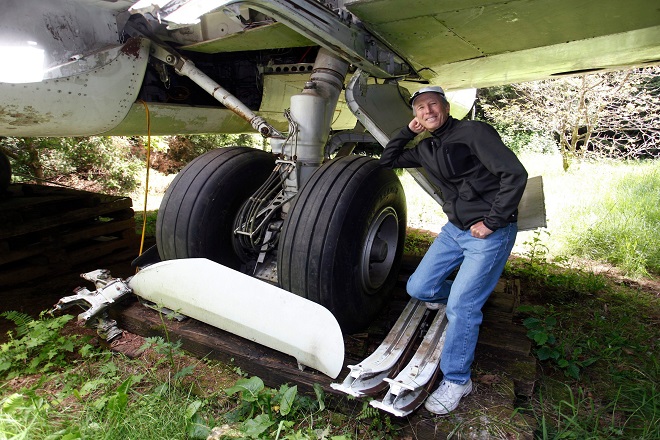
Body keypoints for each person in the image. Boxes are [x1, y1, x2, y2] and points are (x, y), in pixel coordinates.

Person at [379, 86, 528, 415]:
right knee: (419, 287)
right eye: (419, 108)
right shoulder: (426, 147)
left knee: (461, 307)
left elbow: (515, 174)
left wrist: (493, 221)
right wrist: (407, 132)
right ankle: (468, 294)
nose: (427, 111)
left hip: (489, 232)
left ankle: (458, 380)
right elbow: (387, 160)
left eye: (432, 104)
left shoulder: (472, 132)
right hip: (455, 230)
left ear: (445, 107)